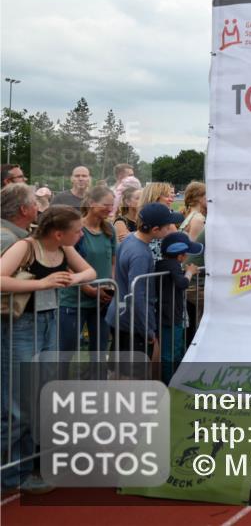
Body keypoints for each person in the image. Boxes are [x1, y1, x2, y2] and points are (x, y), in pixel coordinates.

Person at [1, 205, 96, 494]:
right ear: (58, 233)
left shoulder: (65, 250)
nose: (81, 234)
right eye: (77, 230)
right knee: (17, 405)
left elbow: (90, 272)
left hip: (48, 323)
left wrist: (73, 278)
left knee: (37, 398)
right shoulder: (24, 247)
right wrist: (42, 284)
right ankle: (10, 472)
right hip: (20, 327)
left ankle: (22, 470)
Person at [104, 202, 184, 359]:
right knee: (130, 374)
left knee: (119, 369)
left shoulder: (129, 240)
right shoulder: (140, 254)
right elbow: (137, 295)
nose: (170, 230)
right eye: (167, 227)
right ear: (155, 230)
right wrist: (147, 329)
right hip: (132, 322)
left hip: (121, 315)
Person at [58, 186, 116, 353]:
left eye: (112, 205)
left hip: (102, 301)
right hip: (74, 301)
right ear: (91, 203)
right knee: (65, 352)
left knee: (100, 350)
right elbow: (67, 265)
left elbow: (113, 262)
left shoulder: (109, 230)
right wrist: (89, 290)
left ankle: (96, 379)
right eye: (106, 204)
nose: (110, 209)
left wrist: (110, 287)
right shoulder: (76, 230)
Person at [155, 231, 202, 384]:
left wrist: (184, 272)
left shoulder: (164, 264)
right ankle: (170, 383)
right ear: (180, 256)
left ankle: (176, 380)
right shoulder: (172, 265)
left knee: (176, 350)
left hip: (169, 315)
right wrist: (189, 273)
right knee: (170, 353)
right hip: (170, 317)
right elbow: (182, 284)